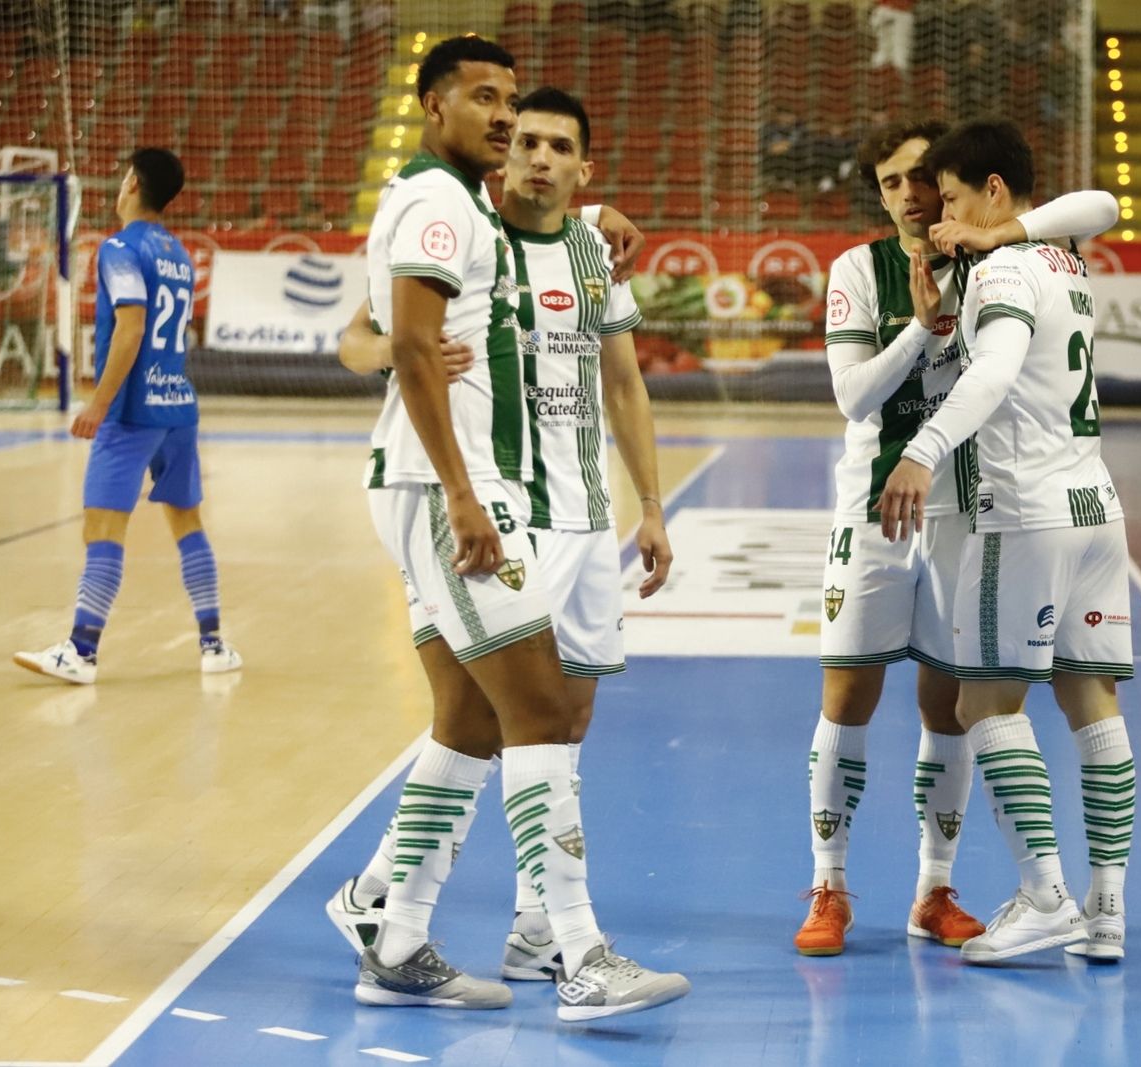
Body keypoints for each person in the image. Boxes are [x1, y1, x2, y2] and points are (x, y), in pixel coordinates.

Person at [342, 35, 686, 1019]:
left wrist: (590, 212)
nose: (502, 118)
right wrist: (461, 495)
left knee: (472, 722)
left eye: (511, 100)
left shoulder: (469, 206)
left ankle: (390, 925)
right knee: (538, 712)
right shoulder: (435, 202)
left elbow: (530, 230)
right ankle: (576, 951)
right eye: (483, 99)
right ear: (430, 105)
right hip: (452, 488)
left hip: (476, 489)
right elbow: (399, 339)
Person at [798, 118, 1115, 957]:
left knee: (952, 707)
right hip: (874, 506)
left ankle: (934, 887)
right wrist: (923, 328)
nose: (910, 197)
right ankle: (828, 885)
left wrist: (1000, 228)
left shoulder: (997, 256)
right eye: (892, 184)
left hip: (966, 512)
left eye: (923, 182)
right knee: (848, 696)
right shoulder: (859, 270)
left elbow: (1099, 202)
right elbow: (853, 399)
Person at [878, 119, 1136, 965]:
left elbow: (993, 372)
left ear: (993, 191)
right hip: (1095, 503)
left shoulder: (1004, 266)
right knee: (1091, 702)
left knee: (981, 703)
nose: (937, 215)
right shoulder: (1066, 256)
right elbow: (1098, 203)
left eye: (948, 197)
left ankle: (1043, 894)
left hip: (1021, 508)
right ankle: (1106, 909)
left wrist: (921, 451)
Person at [14, 149, 243, 685]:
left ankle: (81, 651)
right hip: (178, 407)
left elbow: (132, 328)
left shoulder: (120, 248)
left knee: (102, 529)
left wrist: (98, 403)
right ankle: (214, 645)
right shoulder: (179, 254)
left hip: (132, 411)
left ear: (134, 183)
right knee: (187, 523)